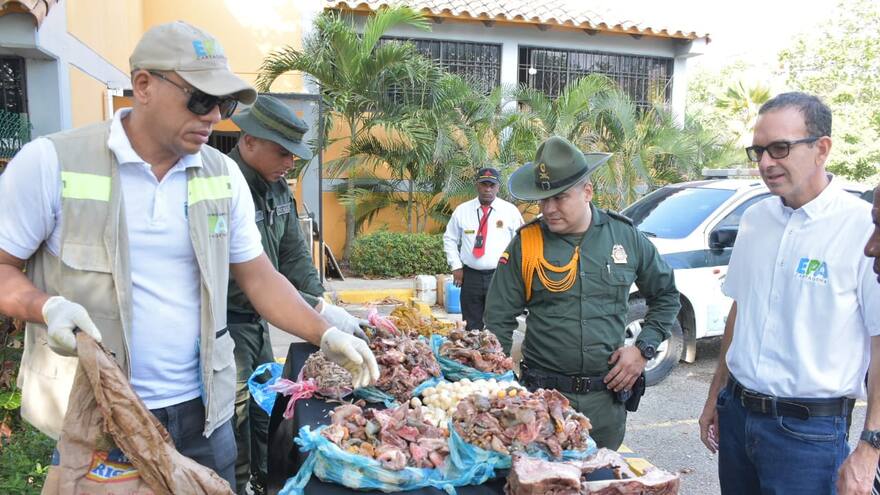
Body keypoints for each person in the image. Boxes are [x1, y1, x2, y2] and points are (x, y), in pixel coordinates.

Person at [0, 21, 378, 489]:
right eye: (201, 99)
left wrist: (325, 330)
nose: (215, 115)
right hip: (99, 413)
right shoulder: (51, 163)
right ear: (143, 86)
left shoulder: (222, 177)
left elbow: (259, 278)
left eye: (224, 103)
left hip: (205, 416)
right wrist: (46, 307)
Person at [697, 92, 880, 494]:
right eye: (758, 151)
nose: (765, 163)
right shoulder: (756, 219)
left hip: (808, 433)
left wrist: (871, 446)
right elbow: (740, 310)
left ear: (822, 148)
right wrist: (716, 395)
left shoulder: (863, 229)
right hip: (738, 415)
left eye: (780, 148)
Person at [484, 136, 680, 449]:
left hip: (605, 405)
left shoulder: (625, 237)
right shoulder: (527, 244)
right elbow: (497, 321)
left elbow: (667, 295)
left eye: (559, 198)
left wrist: (643, 349)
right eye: (542, 200)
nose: (548, 209)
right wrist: (497, 386)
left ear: (587, 192)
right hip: (541, 404)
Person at [226, 94, 368, 494]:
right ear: (250, 140)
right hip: (226, 323)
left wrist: (325, 305)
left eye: (295, 155)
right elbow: (249, 279)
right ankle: (239, 485)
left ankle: (263, 479)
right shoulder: (226, 186)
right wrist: (318, 319)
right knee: (233, 416)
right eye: (283, 152)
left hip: (258, 326)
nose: (291, 163)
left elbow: (294, 256)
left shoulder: (278, 189)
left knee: (263, 408)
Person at [443, 167, 523, 329]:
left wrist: (515, 272)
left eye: (491, 185)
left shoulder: (510, 212)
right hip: (470, 276)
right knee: (472, 325)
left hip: (499, 276)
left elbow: (521, 242)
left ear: (498, 187)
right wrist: (456, 266)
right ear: (477, 186)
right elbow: (449, 239)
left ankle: (497, 353)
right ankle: (474, 353)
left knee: (499, 322)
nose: (488, 189)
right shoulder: (462, 211)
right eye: (484, 184)